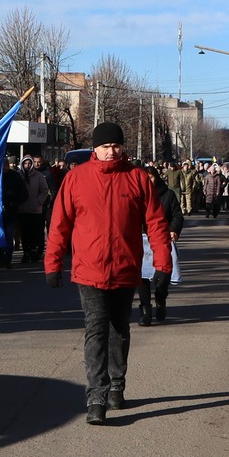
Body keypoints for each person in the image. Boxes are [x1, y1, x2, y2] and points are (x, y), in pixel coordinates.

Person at [44, 122, 173, 425]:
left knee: (120, 330)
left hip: (126, 268)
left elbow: (156, 223)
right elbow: (60, 224)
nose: (111, 151)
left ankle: (116, 385)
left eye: (115, 146)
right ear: (95, 148)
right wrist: (53, 263)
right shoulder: (76, 178)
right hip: (89, 270)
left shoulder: (138, 179)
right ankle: (96, 396)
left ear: (122, 147)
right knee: (96, 330)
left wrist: (163, 263)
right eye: (105, 146)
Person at [140, 164, 183, 326]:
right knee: (141, 277)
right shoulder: (137, 195)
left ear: (156, 178)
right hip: (140, 240)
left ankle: (160, 298)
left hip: (162, 239)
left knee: (163, 275)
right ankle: (146, 311)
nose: (148, 180)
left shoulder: (167, 195)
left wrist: (173, 230)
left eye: (151, 177)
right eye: (145, 178)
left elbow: (177, 216)